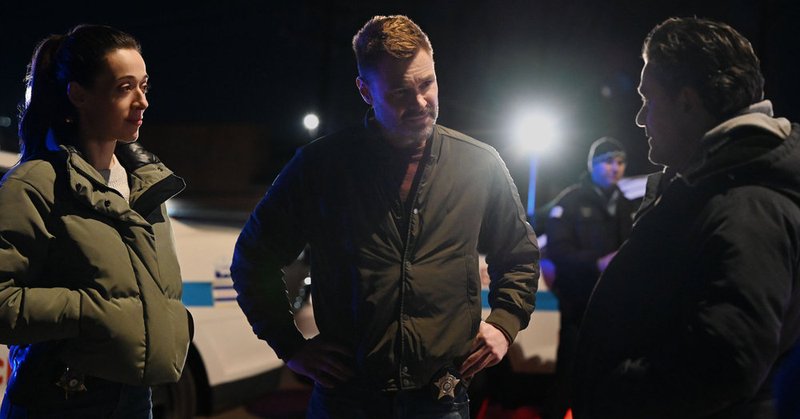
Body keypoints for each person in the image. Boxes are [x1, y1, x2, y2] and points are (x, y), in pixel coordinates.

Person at [231, 15, 539, 418]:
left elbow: (519, 254)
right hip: (347, 397)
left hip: (441, 397)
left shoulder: (479, 164)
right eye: (399, 92)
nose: (420, 102)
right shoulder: (321, 167)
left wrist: (505, 321)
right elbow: (253, 259)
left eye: (426, 83)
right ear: (365, 90)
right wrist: (289, 346)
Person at [572, 17, 800, 418]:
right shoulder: (717, 187)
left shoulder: (746, 204)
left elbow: (727, 360)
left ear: (687, 101)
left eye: (648, 99)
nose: (640, 118)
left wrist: (614, 394)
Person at [0, 25, 191, 418]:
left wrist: (173, 322)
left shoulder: (146, 185)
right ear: (79, 95)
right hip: (61, 400)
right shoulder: (35, 185)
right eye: (124, 88)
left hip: (135, 398)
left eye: (144, 86)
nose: (142, 102)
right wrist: (88, 310)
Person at [543, 136, 635, 419]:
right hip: (578, 303)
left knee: (608, 377)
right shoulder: (571, 201)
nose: (615, 168)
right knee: (570, 373)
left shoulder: (626, 205)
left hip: (614, 306)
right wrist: (596, 263)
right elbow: (556, 250)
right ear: (592, 165)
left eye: (620, 162)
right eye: (608, 162)